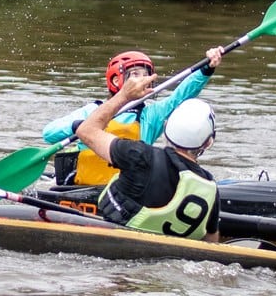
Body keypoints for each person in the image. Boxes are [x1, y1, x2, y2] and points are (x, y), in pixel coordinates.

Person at [41, 47, 225, 185]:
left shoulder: (151, 115)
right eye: (135, 74)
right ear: (116, 80)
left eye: (146, 75)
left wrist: (206, 69)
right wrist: (80, 127)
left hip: (129, 192)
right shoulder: (93, 111)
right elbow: (49, 134)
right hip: (82, 189)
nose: (142, 80)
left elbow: (181, 96)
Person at [76, 67, 221, 239]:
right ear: (208, 142)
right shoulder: (210, 188)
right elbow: (211, 240)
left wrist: (123, 96)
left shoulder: (139, 155)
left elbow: (86, 130)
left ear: (165, 126)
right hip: (171, 258)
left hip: (114, 249)